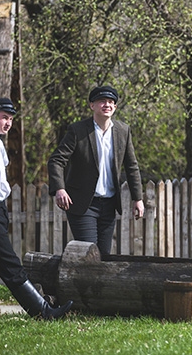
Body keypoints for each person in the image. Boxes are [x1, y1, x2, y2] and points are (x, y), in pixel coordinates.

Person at [0, 98, 73, 320]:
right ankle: (42, 312)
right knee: (9, 262)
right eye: (4, 117)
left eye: (11, 119)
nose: (8, 123)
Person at [48, 86, 144, 257]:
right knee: (88, 255)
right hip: (83, 204)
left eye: (111, 102)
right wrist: (59, 189)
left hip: (109, 205)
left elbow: (132, 166)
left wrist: (138, 198)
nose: (107, 105)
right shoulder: (78, 130)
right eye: (102, 101)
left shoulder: (123, 131)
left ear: (114, 107)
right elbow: (56, 160)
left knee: (104, 256)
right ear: (92, 105)